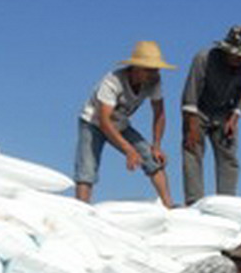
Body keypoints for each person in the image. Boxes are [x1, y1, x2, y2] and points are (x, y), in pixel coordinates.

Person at [74, 41, 175, 207]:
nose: (153, 73)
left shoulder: (154, 81)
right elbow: (104, 121)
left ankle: (169, 206)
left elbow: (159, 113)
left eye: (156, 69)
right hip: (94, 123)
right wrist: (128, 149)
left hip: (120, 124)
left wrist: (156, 145)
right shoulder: (112, 82)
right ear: (135, 67)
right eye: (148, 69)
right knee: (87, 168)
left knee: (152, 158)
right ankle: (81, 209)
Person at [181, 26, 241, 206]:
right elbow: (190, 94)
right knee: (192, 151)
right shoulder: (204, 58)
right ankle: (194, 201)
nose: (238, 59)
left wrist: (234, 119)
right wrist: (191, 126)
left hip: (224, 113)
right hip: (198, 111)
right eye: (235, 55)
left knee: (229, 155)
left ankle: (226, 202)